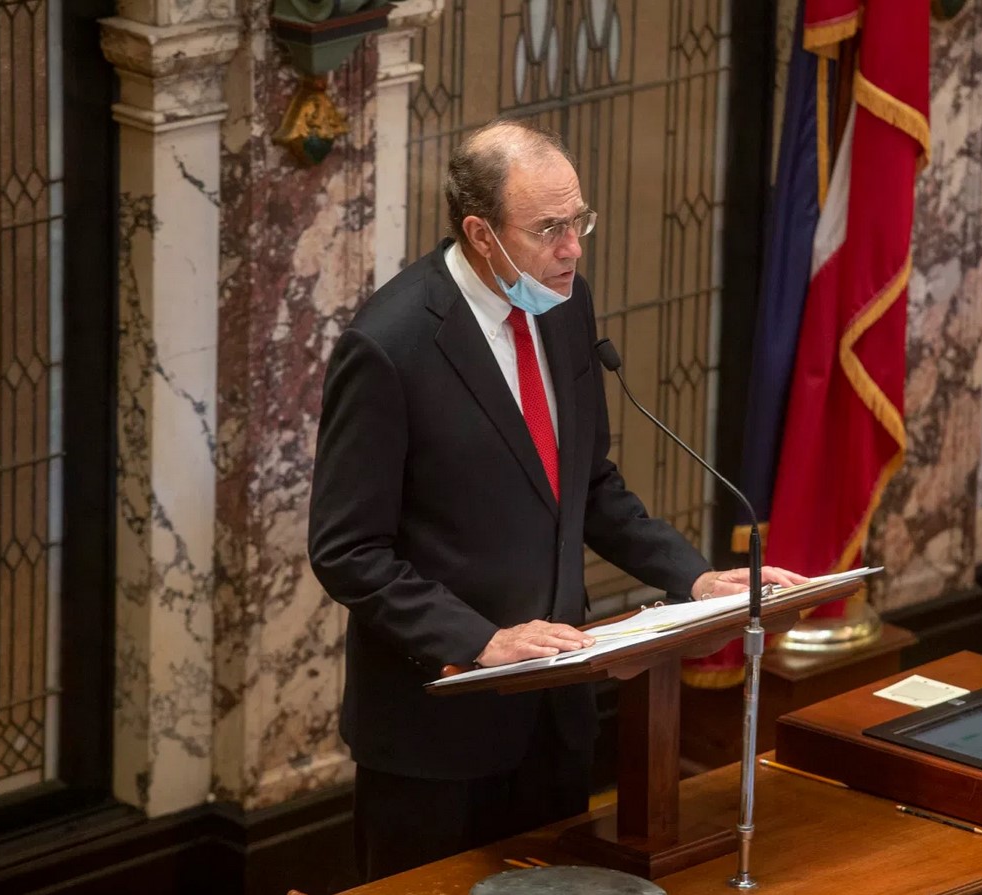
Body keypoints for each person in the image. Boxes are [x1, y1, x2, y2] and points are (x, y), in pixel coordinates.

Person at [308, 118, 805, 882]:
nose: (574, 248)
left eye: (579, 221)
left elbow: (588, 485)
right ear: (481, 234)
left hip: (556, 721)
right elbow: (347, 550)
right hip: (436, 738)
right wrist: (481, 639)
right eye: (549, 229)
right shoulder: (389, 345)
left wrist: (695, 577)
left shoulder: (564, 304)